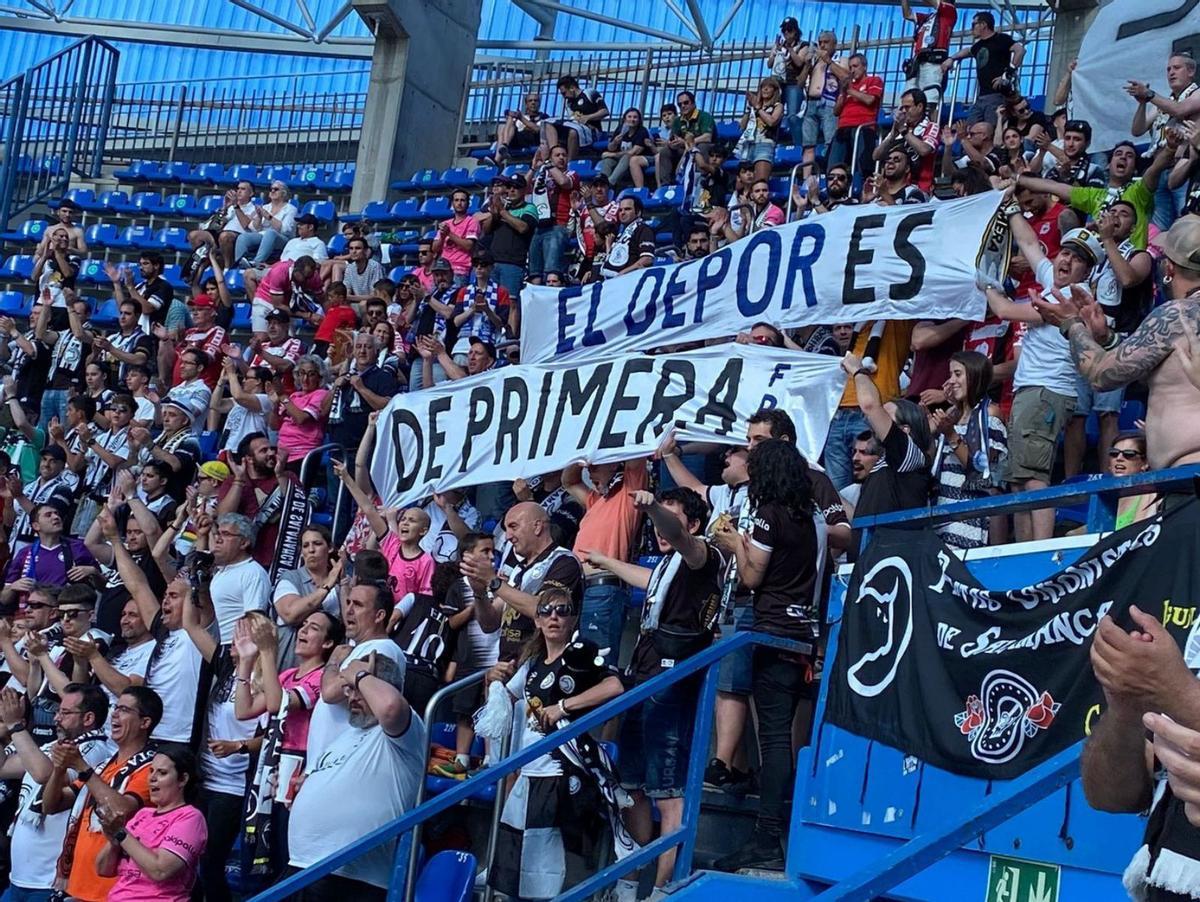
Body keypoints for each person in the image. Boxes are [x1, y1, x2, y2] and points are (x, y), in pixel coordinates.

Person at [584, 489, 723, 892]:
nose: (659, 527)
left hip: (672, 683)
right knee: (633, 788)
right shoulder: (668, 565)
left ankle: (664, 888)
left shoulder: (703, 555)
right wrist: (607, 561)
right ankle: (629, 883)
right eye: (656, 518)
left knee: (667, 791)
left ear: (693, 524)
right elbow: (649, 578)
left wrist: (651, 508)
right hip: (642, 677)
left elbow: (682, 542)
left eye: (668, 517)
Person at [712, 439, 823, 872]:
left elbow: (753, 576)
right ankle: (773, 834)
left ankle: (766, 838)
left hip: (772, 631)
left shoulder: (767, 515)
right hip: (802, 632)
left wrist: (734, 542)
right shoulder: (811, 516)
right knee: (782, 739)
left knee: (774, 739)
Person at [1032, 215, 1200, 476]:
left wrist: (1071, 324)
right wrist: (1106, 339)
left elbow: (1102, 375)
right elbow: (1162, 365)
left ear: (1168, 268)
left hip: (1190, 480)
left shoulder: (1176, 315)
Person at [487, 587, 624, 901]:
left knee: (546, 864)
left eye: (562, 610)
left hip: (560, 774)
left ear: (573, 618)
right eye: (546, 610)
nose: (554, 617)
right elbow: (503, 702)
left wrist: (564, 706)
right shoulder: (532, 664)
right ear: (536, 620)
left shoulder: (581, 655)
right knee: (514, 861)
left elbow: (615, 686)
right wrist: (491, 680)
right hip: (529, 774)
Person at [288, 650, 423, 901]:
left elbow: (391, 707)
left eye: (357, 686)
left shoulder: (405, 730)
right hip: (304, 866)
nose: (351, 695)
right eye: (348, 688)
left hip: (351, 878)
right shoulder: (348, 734)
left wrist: (359, 673)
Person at [235, 610, 341, 878]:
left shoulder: (321, 679)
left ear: (328, 643)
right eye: (303, 625)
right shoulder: (288, 674)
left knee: (280, 852)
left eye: (313, 628)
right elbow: (244, 710)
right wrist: (247, 661)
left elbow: (277, 704)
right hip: (270, 768)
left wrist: (268, 652)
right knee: (258, 856)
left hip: (297, 770)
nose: (303, 630)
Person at [41, 685, 161, 902]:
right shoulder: (105, 766)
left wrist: (81, 766)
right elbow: (51, 805)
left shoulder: (151, 767)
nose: (114, 713)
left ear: (145, 723)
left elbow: (121, 809)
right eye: (116, 707)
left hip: (111, 889)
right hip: (77, 882)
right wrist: (59, 768)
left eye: (124, 710)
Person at [841, 352, 933, 558]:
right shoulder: (884, 465)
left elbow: (869, 406)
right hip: (864, 566)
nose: (877, 420)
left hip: (888, 566)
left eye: (886, 416)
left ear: (905, 430)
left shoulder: (909, 458)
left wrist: (858, 371)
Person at [94, 746, 207, 902]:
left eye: (162, 773)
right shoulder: (142, 814)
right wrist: (114, 842)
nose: (152, 778)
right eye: (151, 771)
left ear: (183, 779)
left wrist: (121, 834)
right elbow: (102, 869)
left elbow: (160, 871)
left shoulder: (190, 818)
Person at [563, 459, 648, 665]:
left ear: (613, 464)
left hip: (603, 588)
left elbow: (636, 460)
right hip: (578, 590)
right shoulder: (595, 500)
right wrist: (582, 459)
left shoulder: (629, 492)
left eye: (595, 467)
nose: (590, 473)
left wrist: (612, 450)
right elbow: (569, 481)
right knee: (577, 662)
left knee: (597, 663)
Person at [929, 350, 1008, 549]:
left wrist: (951, 436)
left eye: (958, 374)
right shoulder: (952, 415)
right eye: (950, 375)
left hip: (971, 515)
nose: (951, 381)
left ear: (975, 375)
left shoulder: (990, 413)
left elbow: (983, 469)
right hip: (942, 511)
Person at [271, 524, 341, 669]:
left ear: (330, 548)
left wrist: (344, 584)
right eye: (305, 545)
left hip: (326, 671)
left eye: (317, 544)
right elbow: (290, 614)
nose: (311, 550)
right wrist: (327, 586)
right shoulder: (290, 578)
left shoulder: (341, 585)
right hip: (286, 668)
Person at [943, 11, 1024, 127]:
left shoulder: (1001, 39)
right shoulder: (978, 45)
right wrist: (951, 58)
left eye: (973, 25)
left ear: (983, 25)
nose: (972, 29)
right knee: (971, 129)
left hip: (997, 94)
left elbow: (1020, 50)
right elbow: (967, 51)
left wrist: (1007, 74)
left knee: (990, 129)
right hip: (981, 96)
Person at [828, 53, 882, 179]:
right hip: (843, 128)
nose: (852, 70)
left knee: (861, 164)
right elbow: (836, 111)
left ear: (864, 67)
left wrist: (850, 91)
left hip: (862, 128)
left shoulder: (873, 80)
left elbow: (870, 100)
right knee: (834, 163)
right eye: (850, 67)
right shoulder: (847, 87)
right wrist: (843, 93)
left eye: (855, 66)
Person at [901, 0, 955, 108]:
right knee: (908, 99)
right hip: (917, 63)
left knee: (930, 100)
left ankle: (931, 124)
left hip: (933, 61)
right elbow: (907, 14)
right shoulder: (928, 17)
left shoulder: (949, 10)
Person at [655, 91, 715, 189]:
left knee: (702, 146)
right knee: (665, 151)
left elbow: (707, 137)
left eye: (686, 103)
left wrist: (688, 142)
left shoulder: (704, 116)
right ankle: (665, 187)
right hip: (685, 149)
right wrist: (672, 144)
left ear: (693, 103)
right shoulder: (678, 121)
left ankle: (699, 183)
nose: (683, 106)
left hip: (705, 148)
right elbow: (673, 139)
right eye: (680, 104)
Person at [543, 75, 608, 162]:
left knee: (573, 132)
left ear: (572, 88)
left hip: (592, 130)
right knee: (549, 124)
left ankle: (569, 162)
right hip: (577, 126)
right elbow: (572, 117)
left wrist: (588, 117)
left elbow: (605, 111)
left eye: (564, 93)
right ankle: (554, 153)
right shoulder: (569, 103)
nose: (564, 96)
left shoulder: (590, 93)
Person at [737, 77, 784, 184]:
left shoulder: (778, 106)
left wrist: (758, 109)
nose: (765, 89)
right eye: (763, 87)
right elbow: (742, 126)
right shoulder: (753, 107)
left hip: (764, 145)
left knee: (760, 181)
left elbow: (772, 121)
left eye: (769, 87)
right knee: (741, 185)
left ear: (775, 90)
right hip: (748, 145)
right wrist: (749, 109)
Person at [598, 196, 656, 280]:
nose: (622, 212)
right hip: (609, 280)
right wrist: (608, 246)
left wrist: (622, 274)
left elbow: (647, 259)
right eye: (620, 210)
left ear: (638, 212)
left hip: (626, 281)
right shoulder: (621, 233)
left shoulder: (643, 229)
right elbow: (614, 260)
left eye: (627, 209)